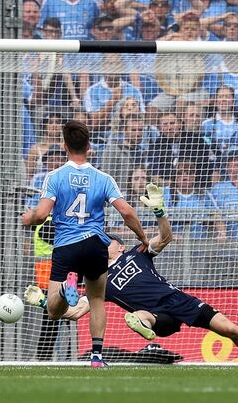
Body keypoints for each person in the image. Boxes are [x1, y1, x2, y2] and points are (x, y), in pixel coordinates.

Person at [24, 184, 238, 366]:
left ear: (120, 246)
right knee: (137, 315)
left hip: (178, 300)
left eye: (108, 241)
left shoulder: (137, 252)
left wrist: (159, 212)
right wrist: (45, 302)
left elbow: (166, 237)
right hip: (155, 316)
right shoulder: (98, 280)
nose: (103, 244)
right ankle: (142, 326)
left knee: (227, 327)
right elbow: (76, 312)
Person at [21, 120, 149, 368]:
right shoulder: (103, 178)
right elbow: (127, 211)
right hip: (94, 244)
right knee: (96, 300)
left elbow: (41, 214)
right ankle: (97, 356)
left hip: (66, 245)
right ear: (89, 146)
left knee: (54, 312)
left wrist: (28, 218)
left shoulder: (55, 177)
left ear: (65, 146)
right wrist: (142, 237)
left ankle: (66, 289)